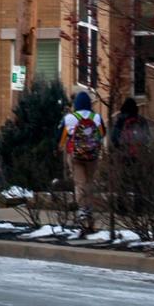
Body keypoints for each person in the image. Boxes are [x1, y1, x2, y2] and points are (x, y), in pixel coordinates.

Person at [59, 90, 106, 230]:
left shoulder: (69, 118)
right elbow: (103, 133)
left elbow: (61, 137)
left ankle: (82, 211)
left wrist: (62, 146)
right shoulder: (96, 117)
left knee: (79, 183)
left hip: (75, 155)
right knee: (90, 182)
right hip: (92, 155)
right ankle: (90, 209)